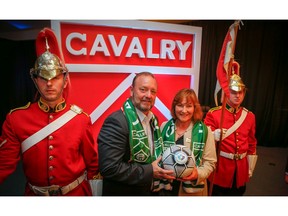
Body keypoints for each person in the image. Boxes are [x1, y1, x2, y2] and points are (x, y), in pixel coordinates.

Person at [0, 28, 99, 196]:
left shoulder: (80, 119)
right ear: (35, 80)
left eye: (55, 78)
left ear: (65, 80)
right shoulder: (16, 118)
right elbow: (3, 163)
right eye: (43, 78)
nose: (49, 84)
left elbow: (93, 164)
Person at [97, 71, 175, 196]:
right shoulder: (116, 121)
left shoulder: (153, 121)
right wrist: (150, 170)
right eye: (143, 90)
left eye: (153, 91)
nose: (148, 95)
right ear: (131, 91)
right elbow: (109, 168)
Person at [204, 73, 258, 196]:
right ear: (227, 92)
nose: (237, 95)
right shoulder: (214, 114)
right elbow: (204, 142)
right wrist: (212, 135)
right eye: (233, 92)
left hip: (241, 170)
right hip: (221, 169)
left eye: (240, 92)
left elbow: (251, 144)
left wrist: (250, 167)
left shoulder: (249, 116)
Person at [160, 88, 217, 196]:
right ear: (174, 107)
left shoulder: (205, 131)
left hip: (191, 191)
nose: (184, 110)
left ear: (195, 108)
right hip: (165, 188)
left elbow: (210, 163)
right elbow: (157, 155)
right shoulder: (164, 127)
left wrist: (197, 174)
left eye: (189, 106)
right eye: (180, 105)